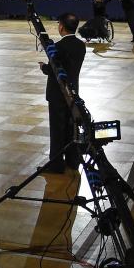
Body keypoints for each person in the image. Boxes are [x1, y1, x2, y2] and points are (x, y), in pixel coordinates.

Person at [43, 13, 85, 173]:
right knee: (71, 128)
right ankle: (72, 160)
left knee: (57, 130)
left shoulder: (59, 47)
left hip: (57, 95)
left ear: (61, 26)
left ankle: (56, 164)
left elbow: (52, 69)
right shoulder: (81, 46)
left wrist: (43, 67)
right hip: (73, 94)